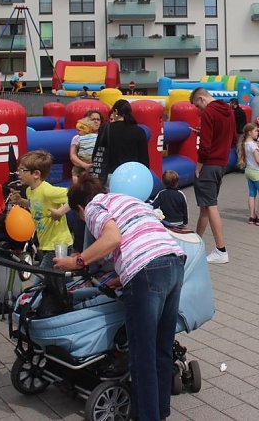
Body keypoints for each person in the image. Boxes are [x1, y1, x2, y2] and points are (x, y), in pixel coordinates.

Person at [55, 175, 186, 421]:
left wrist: (76, 260)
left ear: (80, 208)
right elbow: (137, 235)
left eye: (79, 216)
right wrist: (123, 275)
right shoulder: (126, 199)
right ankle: (160, 411)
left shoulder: (94, 207)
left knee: (142, 353)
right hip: (173, 262)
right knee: (162, 347)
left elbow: (112, 238)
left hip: (146, 269)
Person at [190, 88, 236, 263]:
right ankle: (196, 242)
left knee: (210, 205)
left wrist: (198, 166)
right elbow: (231, 139)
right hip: (222, 163)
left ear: (201, 99)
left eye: (197, 106)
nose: (199, 110)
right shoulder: (228, 110)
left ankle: (221, 249)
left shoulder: (208, 113)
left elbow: (205, 146)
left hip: (209, 164)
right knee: (205, 205)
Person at [9, 150, 73, 268]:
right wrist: (21, 201)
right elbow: (35, 205)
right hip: (46, 245)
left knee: (41, 279)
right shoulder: (29, 190)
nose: (18, 173)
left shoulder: (47, 191)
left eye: (22, 170)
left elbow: (76, 196)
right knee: (58, 282)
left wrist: (60, 212)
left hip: (59, 245)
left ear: (36, 174)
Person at [94, 100, 150, 185]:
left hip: (110, 175)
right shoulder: (139, 131)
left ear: (116, 111)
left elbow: (97, 153)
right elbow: (144, 158)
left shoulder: (105, 129)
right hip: (133, 177)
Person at [237, 123, 259, 226]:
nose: (257, 132)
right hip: (256, 171)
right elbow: (258, 159)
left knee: (252, 193)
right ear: (249, 132)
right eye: (256, 131)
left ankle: (252, 216)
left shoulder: (246, 143)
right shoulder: (253, 146)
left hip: (248, 171)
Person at [70, 115, 100, 183]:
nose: (77, 132)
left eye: (79, 130)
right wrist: (84, 165)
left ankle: (76, 186)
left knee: (75, 172)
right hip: (85, 163)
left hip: (88, 163)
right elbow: (72, 156)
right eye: (94, 119)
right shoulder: (97, 137)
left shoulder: (78, 138)